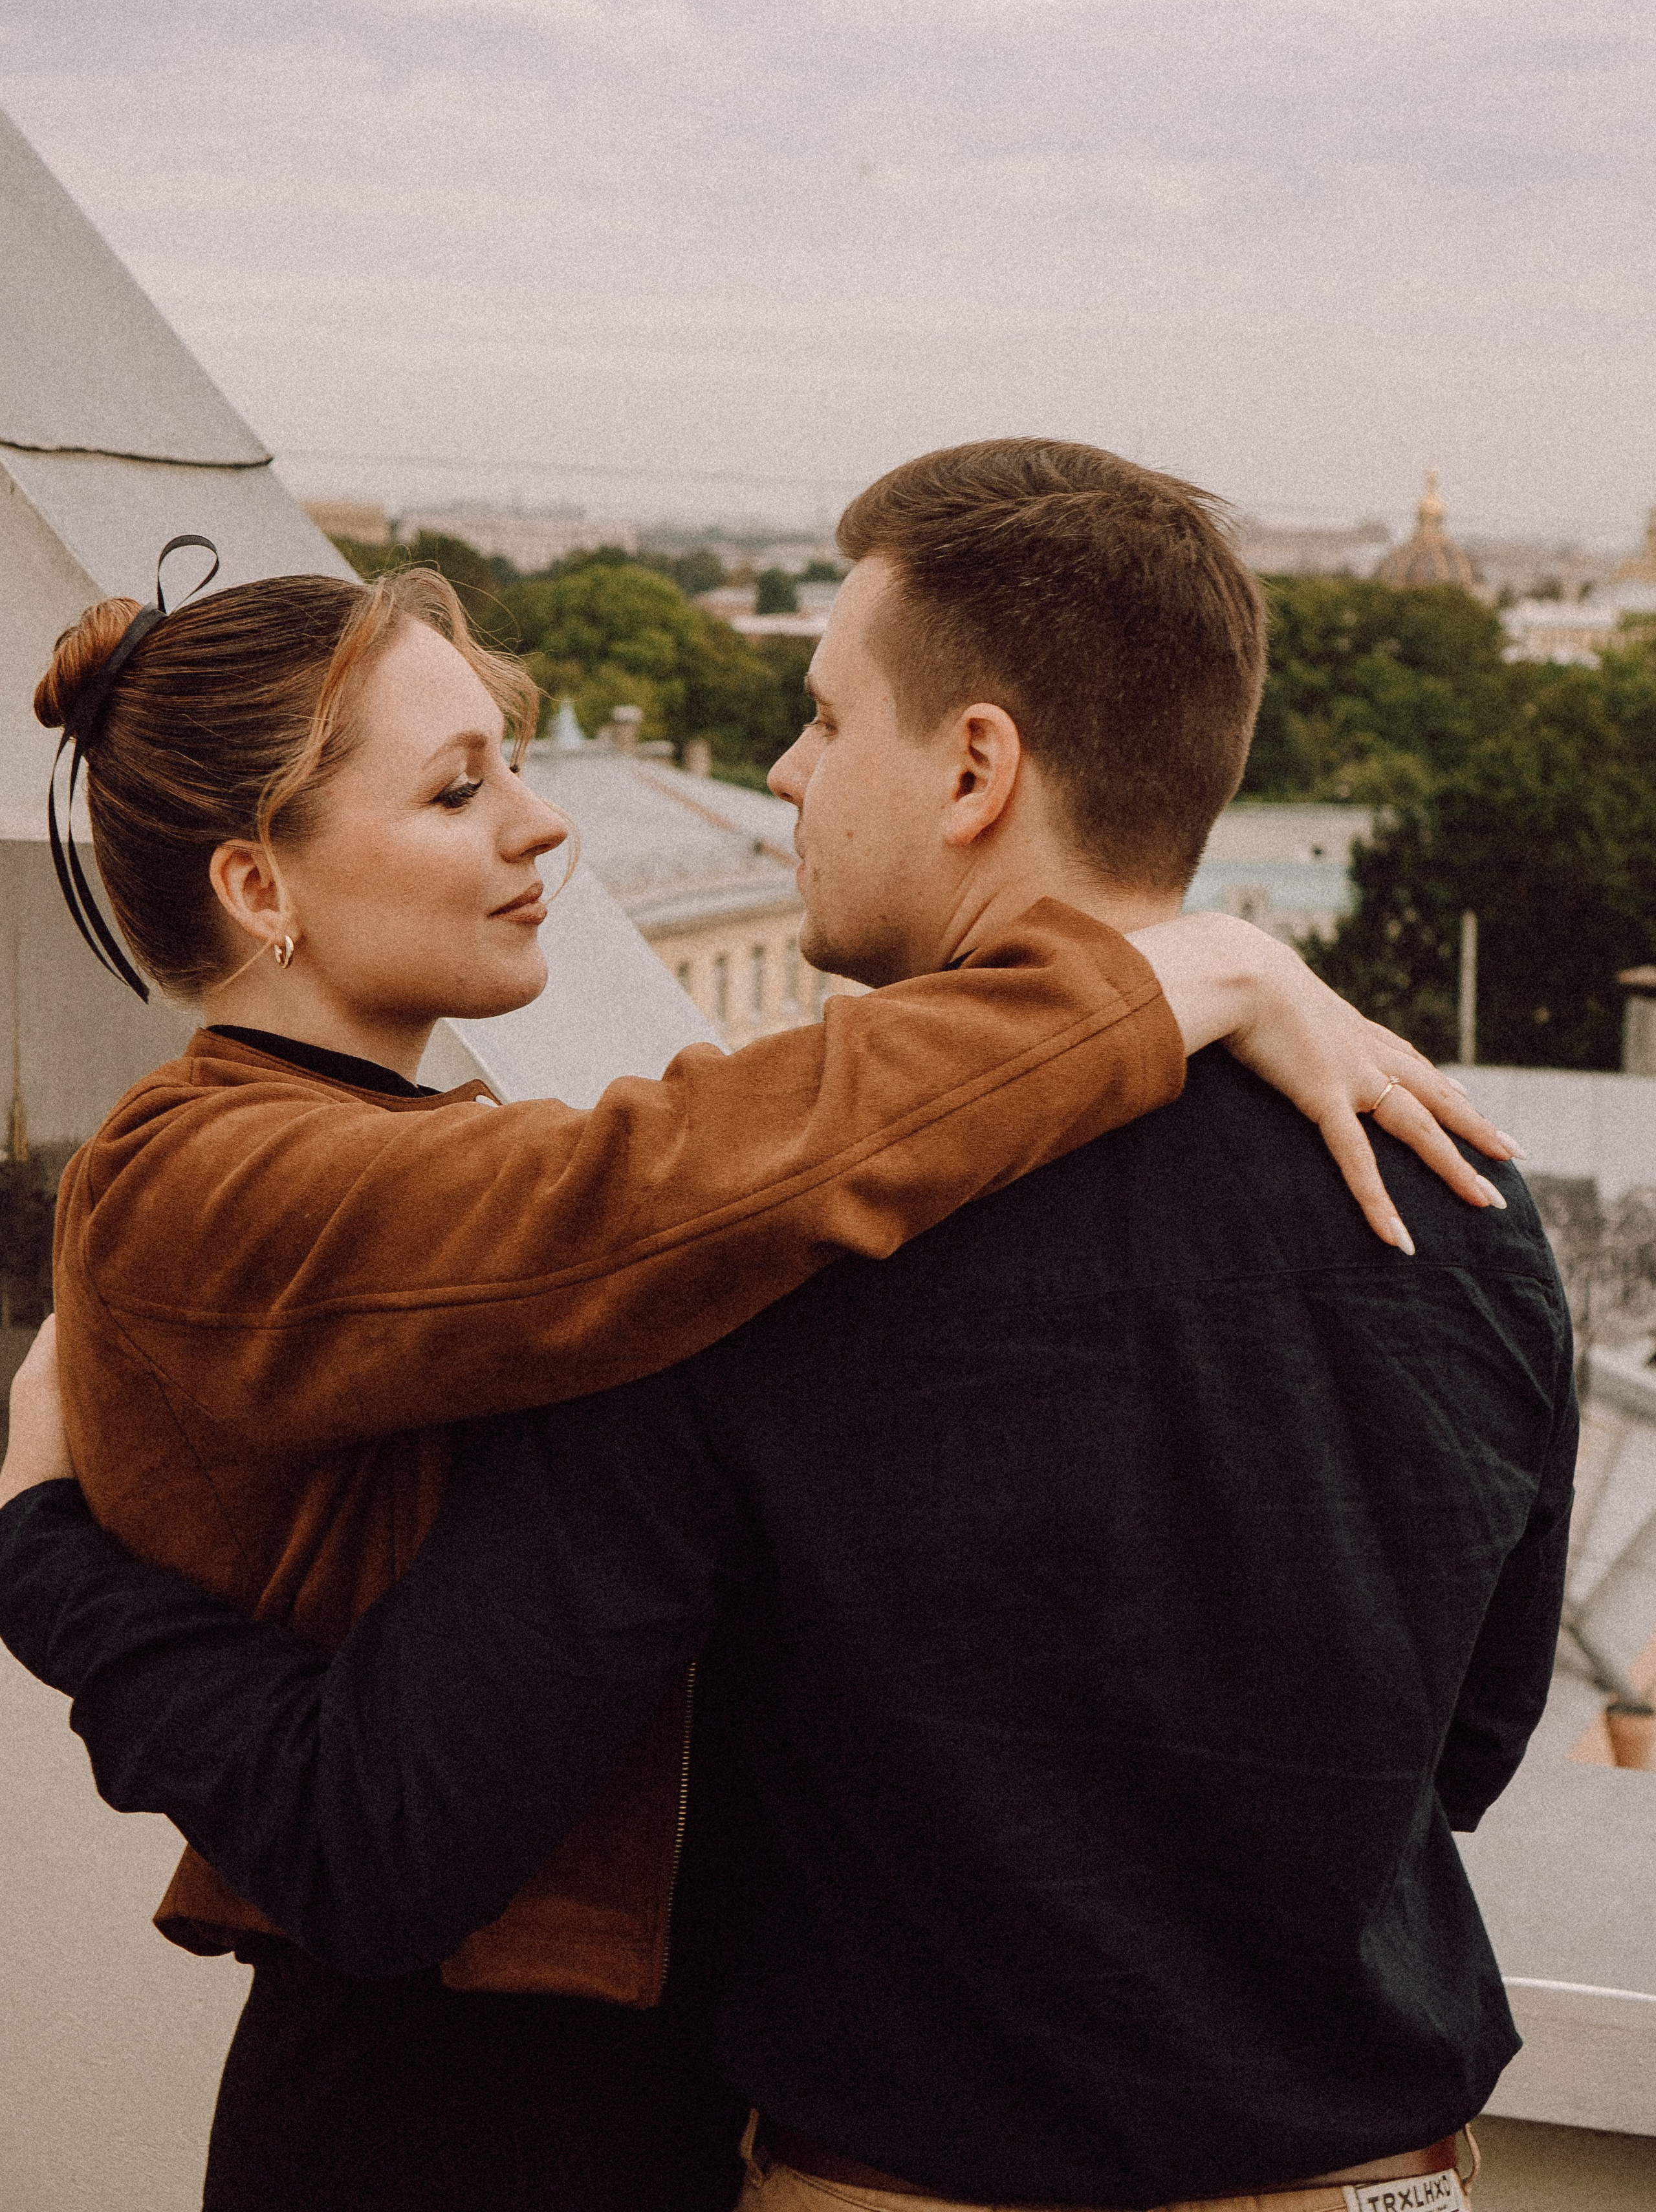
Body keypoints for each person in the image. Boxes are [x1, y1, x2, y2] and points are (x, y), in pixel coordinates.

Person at [0, 444, 1534, 2212]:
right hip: (495, 2126)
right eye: (458, 790)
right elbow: (1457, 1749)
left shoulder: (630, 1267)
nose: (547, 819)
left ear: (976, 768)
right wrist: (1204, 969)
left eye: (819, 715)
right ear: (259, 887)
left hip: (661, 2125)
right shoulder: (1471, 1213)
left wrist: (50, 1558)